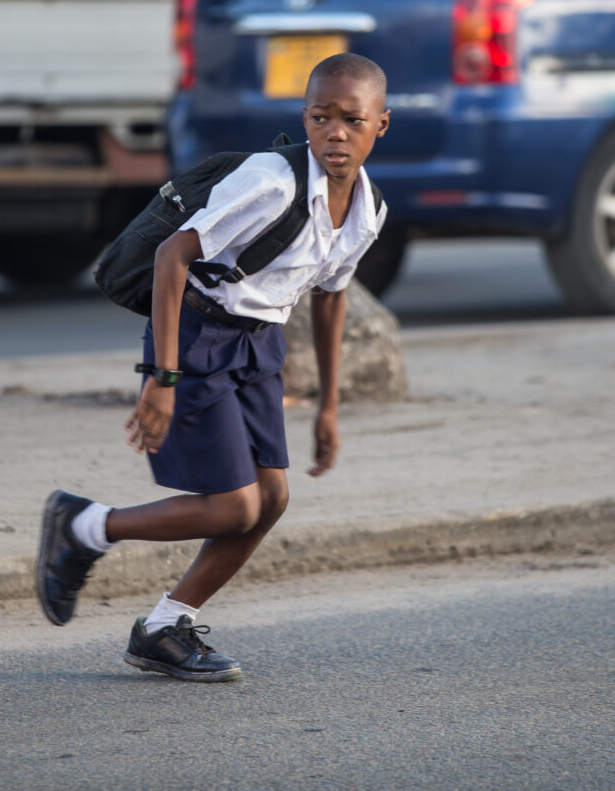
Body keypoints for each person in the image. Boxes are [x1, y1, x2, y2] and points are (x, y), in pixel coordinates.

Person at [35, 52, 390, 682]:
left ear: (380, 125)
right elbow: (174, 256)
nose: (335, 132)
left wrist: (330, 406)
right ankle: (83, 525)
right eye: (320, 117)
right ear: (304, 119)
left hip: (260, 345)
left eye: (352, 120)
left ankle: (165, 627)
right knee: (233, 506)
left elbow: (332, 296)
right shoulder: (271, 182)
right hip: (197, 332)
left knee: (272, 498)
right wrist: (161, 378)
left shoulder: (365, 208)